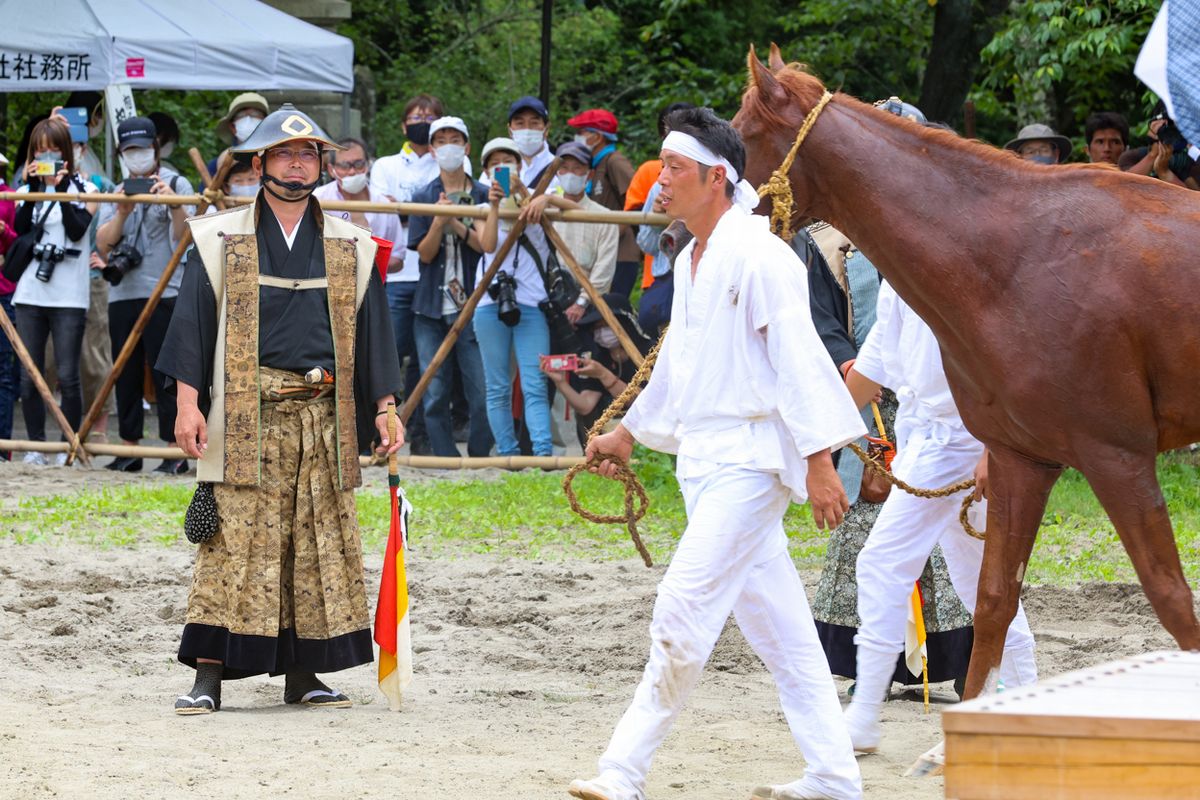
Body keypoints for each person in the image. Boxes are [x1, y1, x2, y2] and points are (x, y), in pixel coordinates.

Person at [572, 107, 864, 800]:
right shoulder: (690, 257)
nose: (662, 182)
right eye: (663, 167)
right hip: (703, 460)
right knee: (785, 637)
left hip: (753, 461)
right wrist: (628, 433)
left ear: (718, 179)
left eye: (675, 169)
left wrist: (819, 461)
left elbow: (800, 359)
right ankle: (833, 775)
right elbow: (680, 365)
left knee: (681, 610)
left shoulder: (762, 253)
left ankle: (623, 771)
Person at [156, 103, 403, 714]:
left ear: (322, 165)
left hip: (323, 416)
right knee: (231, 544)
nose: (298, 164)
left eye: (309, 154)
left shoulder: (352, 244)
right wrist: (190, 406)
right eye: (286, 154)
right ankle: (207, 676)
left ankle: (305, 675)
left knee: (314, 542)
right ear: (261, 162)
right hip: (247, 415)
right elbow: (193, 324)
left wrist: (385, 407)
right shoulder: (218, 237)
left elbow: (373, 331)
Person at [839, 280, 1039, 753]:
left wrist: (995, 446)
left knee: (882, 564)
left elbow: (1005, 363)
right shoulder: (896, 277)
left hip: (963, 439)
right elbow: (870, 373)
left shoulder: (960, 263)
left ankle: (864, 717)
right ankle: (1030, 704)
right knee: (983, 582)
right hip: (923, 438)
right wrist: (811, 437)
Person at [95, 117, 195, 474]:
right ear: (122, 153)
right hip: (124, 293)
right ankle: (129, 447)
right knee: (125, 371)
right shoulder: (117, 188)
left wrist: (174, 204)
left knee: (167, 370)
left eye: (143, 148)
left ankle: (174, 450)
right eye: (129, 150)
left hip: (167, 291)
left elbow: (187, 238)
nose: (137, 155)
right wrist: (122, 212)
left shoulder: (177, 183)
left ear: (156, 147)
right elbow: (104, 245)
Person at [371, 93, 465, 455]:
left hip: (435, 277)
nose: (421, 120)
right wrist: (423, 215)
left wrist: (411, 212)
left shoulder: (451, 164)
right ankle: (377, 430)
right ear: (402, 124)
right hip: (395, 276)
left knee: (428, 365)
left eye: (429, 115)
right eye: (415, 115)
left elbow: (406, 211)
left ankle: (421, 434)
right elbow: (386, 210)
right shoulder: (386, 165)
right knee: (389, 356)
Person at [11, 119, 97, 465]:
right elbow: (19, 229)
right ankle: (36, 446)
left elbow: (77, 231)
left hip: (70, 296)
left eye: (54, 150)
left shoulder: (88, 190)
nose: (47, 156)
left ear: (67, 152)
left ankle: (68, 447)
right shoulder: (24, 191)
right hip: (30, 292)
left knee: (67, 376)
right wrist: (33, 185)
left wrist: (61, 190)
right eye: (40, 150)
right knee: (29, 375)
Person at [407, 116, 493, 457]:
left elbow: (484, 246)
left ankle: (481, 452)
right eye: (440, 141)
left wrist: (453, 222)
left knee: (480, 386)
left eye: (454, 140)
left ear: (467, 147)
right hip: (429, 304)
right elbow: (424, 255)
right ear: (431, 150)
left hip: (475, 303)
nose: (448, 147)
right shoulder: (422, 195)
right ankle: (444, 455)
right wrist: (437, 222)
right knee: (434, 388)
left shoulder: (485, 194)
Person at [474, 137, 555, 457]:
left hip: (532, 302)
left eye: (509, 162)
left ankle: (543, 452)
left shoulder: (536, 203)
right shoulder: (483, 207)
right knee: (497, 387)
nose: (502, 168)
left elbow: (573, 207)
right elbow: (489, 245)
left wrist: (528, 194)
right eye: (495, 164)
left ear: (520, 166)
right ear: (485, 171)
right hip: (489, 303)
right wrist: (494, 204)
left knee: (535, 382)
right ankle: (508, 453)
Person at [520, 140, 619, 323]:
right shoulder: (543, 210)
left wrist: (581, 303)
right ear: (557, 173)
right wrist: (547, 199)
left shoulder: (604, 217)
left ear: (589, 175)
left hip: (589, 305)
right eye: (564, 168)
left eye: (577, 168)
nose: (570, 173)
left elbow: (603, 270)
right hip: (543, 301)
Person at [539, 294, 651, 449]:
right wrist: (560, 382)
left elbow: (645, 403)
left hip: (646, 431)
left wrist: (604, 375)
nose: (601, 332)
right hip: (613, 430)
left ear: (624, 323)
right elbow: (585, 406)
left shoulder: (649, 353)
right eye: (596, 328)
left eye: (605, 325)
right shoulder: (599, 356)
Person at [566, 108, 640, 298]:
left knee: (609, 310)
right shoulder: (596, 164)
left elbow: (636, 199)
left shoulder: (614, 161)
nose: (577, 137)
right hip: (600, 252)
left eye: (581, 132)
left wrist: (613, 232)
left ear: (597, 137)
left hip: (621, 253)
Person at [626, 103, 695, 293]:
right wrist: (658, 219)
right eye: (669, 132)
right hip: (660, 278)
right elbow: (638, 230)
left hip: (700, 280)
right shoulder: (652, 176)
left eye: (684, 131)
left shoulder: (716, 179)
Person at [313, 137, 403, 273]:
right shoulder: (317, 199)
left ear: (368, 165)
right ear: (331, 170)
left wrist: (364, 264)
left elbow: (397, 259)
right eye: (344, 165)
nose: (352, 172)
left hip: (374, 288)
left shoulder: (384, 205)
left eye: (358, 164)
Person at [1118, 102, 1200, 188]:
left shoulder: (1194, 159)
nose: (1173, 132)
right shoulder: (1133, 157)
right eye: (1167, 127)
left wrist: (1163, 171)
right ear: (1153, 125)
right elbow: (1124, 187)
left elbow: (1194, 199)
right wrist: (1153, 154)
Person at [0, 154, 19, 460]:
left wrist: (4, 231)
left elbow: (19, 243)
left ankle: (3, 445)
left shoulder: (11, 197)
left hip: (4, 289)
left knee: (4, 371)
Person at [207, 92, 269, 183]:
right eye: (241, 116)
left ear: (267, 123)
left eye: (255, 114)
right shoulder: (217, 164)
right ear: (232, 127)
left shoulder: (280, 159)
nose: (248, 119)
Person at [507, 95, 555, 187]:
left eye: (534, 123)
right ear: (510, 130)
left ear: (547, 128)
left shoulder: (559, 169)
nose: (527, 129)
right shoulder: (501, 168)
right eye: (520, 123)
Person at [1003, 123, 1072, 163]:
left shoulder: (1068, 185)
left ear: (1056, 155)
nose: (1038, 156)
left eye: (1044, 150)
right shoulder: (1012, 187)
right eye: (1030, 152)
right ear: (1019, 158)